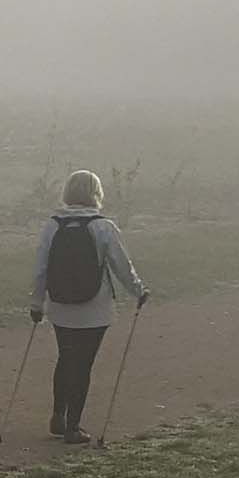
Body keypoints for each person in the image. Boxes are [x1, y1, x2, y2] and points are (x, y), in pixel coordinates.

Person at [30, 169, 151, 442]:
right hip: (95, 308)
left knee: (65, 358)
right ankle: (74, 426)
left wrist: (37, 302)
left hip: (60, 306)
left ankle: (58, 416)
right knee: (83, 364)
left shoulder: (52, 225)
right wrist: (139, 290)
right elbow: (122, 266)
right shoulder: (103, 226)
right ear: (97, 193)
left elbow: (41, 268)